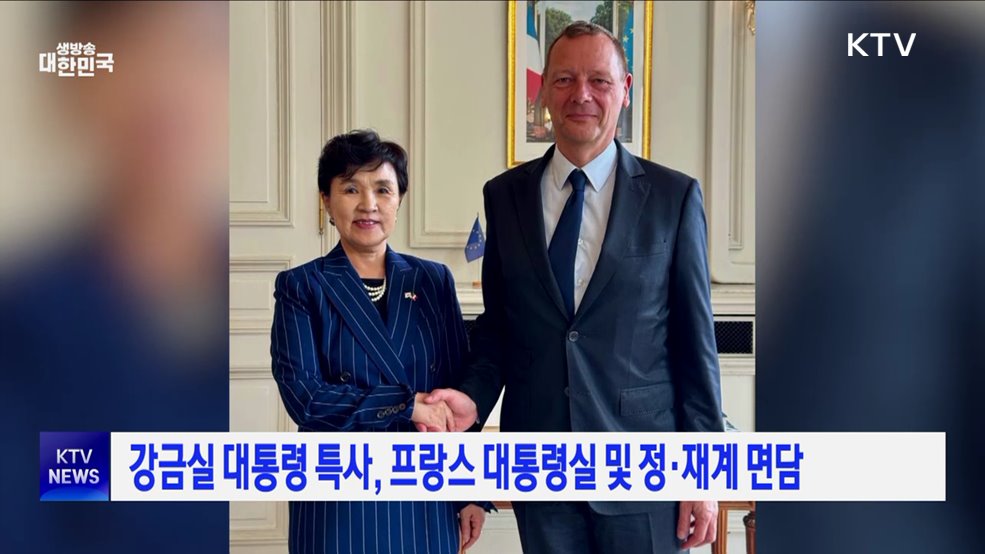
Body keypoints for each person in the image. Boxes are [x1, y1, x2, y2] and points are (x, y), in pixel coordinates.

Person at [424, 22, 724, 553]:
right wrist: (471, 399)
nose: (581, 94)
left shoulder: (673, 197)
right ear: (543, 91)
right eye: (564, 79)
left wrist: (704, 473)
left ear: (624, 89)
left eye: (598, 80)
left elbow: (694, 344)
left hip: (645, 468)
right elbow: (500, 328)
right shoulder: (505, 196)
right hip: (542, 468)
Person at [270, 130, 488, 553]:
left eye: (383, 189)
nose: (368, 204)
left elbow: (456, 392)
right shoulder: (302, 286)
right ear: (326, 200)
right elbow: (305, 398)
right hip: (341, 495)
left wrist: (470, 491)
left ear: (399, 200)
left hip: (426, 493)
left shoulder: (432, 280)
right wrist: (406, 404)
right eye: (351, 188)